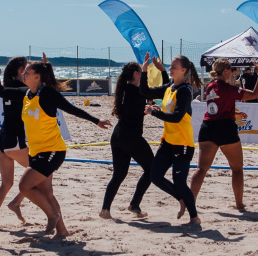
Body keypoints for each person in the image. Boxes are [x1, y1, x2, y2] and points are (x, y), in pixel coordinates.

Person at [18, 59, 110, 239]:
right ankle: (62, 230)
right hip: (36, 151)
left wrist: (96, 121)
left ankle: (53, 216)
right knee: (47, 193)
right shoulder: (28, 94)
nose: (23, 74)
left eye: (27, 72)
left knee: (24, 186)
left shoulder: (47, 94)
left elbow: (71, 109)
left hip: (52, 150)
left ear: (37, 76)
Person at [189, 58, 258, 211]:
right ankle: (239, 204)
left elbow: (216, 108)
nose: (233, 72)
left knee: (201, 169)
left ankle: (189, 203)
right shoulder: (229, 88)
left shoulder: (210, 87)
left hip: (208, 127)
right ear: (225, 71)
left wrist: (235, 113)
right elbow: (256, 94)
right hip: (225, 128)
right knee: (237, 169)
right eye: (231, 69)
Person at [99, 54, 161, 220]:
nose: (142, 74)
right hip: (131, 137)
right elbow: (145, 93)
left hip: (118, 135)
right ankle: (134, 204)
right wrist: (147, 70)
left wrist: (147, 109)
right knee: (152, 169)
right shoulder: (137, 91)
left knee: (119, 174)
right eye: (140, 72)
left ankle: (105, 210)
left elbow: (134, 109)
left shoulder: (125, 89)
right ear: (135, 74)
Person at [145, 55, 203, 228]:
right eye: (170, 67)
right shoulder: (170, 87)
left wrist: (154, 113)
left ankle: (194, 217)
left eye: (173, 67)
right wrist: (144, 69)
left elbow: (177, 117)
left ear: (183, 70)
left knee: (180, 182)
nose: (170, 69)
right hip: (168, 141)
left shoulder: (185, 90)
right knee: (155, 176)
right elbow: (146, 92)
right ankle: (181, 199)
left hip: (183, 143)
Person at [0, 56, 31, 229]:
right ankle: (16, 202)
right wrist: (47, 69)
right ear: (20, 69)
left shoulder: (7, 88)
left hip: (1, 140)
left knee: (6, 183)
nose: (29, 72)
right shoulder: (24, 90)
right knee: (41, 172)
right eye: (27, 69)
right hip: (14, 140)